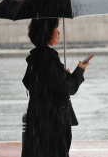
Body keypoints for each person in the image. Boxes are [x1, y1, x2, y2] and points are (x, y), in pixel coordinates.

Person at [21, 18, 90, 157]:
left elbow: (32, 82)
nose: (59, 32)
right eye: (55, 28)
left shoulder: (36, 57)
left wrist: (63, 75)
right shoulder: (49, 58)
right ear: (47, 33)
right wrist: (78, 72)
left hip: (37, 120)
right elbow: (65, 89)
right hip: (52, 123)